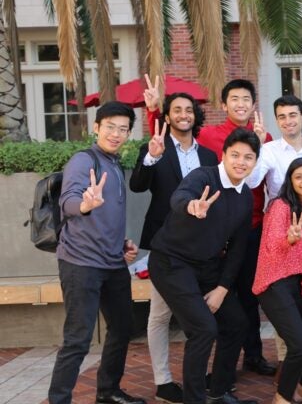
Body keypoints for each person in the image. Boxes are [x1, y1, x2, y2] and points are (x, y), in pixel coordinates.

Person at [149, 128, 260, 404]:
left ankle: (218, 391)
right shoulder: (204, 177)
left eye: (248, 157)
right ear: (223, 155)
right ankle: (194, 399)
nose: (241, 162)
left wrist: (223, 287)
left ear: (255, 162)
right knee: (203, 329)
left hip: (207, 266)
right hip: (171, 261)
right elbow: (180, 196)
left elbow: (237, 248)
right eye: (235, 155)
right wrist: (192, 206)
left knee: (236, 323)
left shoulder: (245, 196)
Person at [48, 101, 144, 404]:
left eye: (123, 129)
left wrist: (123, 243)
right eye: (110, 127)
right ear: (97, 127)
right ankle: (59, 399)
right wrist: (85, 205)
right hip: (80, 263)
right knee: (78, 338)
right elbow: (68, 203)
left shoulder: (114, 163)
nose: (116, 134)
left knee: (122, 327)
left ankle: (108, 391)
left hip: (113, 262)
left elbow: (109, 215)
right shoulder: (83, 160)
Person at [130, 88, 218, 403]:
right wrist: (151, 157)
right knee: (160, 313)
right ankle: (163, 381)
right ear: (167, 116)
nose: (184, 115)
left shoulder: (208, 156)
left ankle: (201, 373)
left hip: (201, 245)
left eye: (189, 110)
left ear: (196, 116)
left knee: (205, 311)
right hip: (164, 246)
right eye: (177, 110)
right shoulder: (154, 147)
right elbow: (137, 185)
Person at [196, 79, 277, 377]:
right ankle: (219, 364)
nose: (241, 104)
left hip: (253, 227)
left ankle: (253, 356)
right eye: (235, 98)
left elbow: (271, 181)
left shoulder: (264, 136)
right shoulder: (208, 136)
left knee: (248, 294)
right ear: (223, 104)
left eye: (246, 99)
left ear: (254, 105)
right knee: (218, 296)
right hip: (216, 230)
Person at [253, 157, 302, 404]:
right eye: (299, 177)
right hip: (273, 283)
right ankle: (282, 397)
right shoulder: (280, 206)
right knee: (299, 346)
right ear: (290, 180)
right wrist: (289, 239)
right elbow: (270, 249)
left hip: (298, 284)